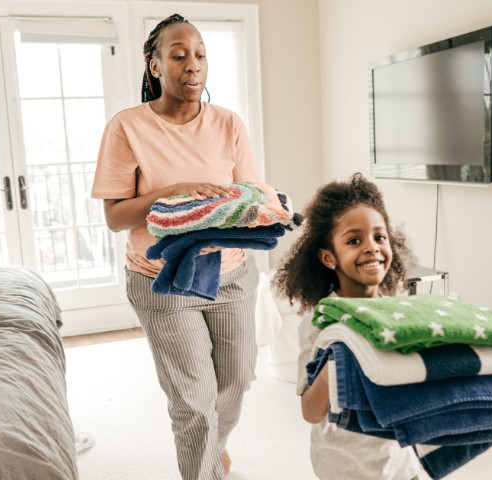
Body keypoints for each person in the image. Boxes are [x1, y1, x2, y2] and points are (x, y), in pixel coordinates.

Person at [91, 13, 262, 480]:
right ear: (155, 65)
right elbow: (114, 216)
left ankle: (214, 450)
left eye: (201, 55)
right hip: (161, 278)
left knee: (238, 378)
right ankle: (205, 469)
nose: (193, 66)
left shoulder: (229, 124)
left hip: (230, 272)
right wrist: (176, 193)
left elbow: (249, 194)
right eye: (179, 55)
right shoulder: (128, 127)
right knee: (193, 403)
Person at [272, 173, 422, 480]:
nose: (371, 247)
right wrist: (331, 372)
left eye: (379, 237)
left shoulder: (398, 314)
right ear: (329, 257)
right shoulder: (321, 325)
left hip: (400, 464)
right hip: (345, 467)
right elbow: (311, 412)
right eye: (355, 240)